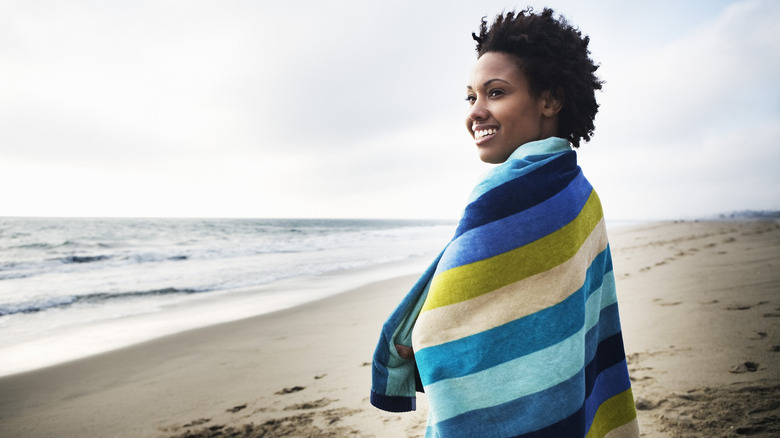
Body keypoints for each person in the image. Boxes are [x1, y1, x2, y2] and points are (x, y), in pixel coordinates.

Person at [370, 7, 639, 437]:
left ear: (549, 100)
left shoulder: (502, 194)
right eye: (471, 97)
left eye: (495, 93)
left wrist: (407, 341)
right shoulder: (580, 192)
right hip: (565, 406)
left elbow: (438, 330)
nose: (475, 112)